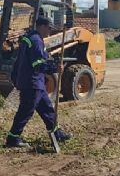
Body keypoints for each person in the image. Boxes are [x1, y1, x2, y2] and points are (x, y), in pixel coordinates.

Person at [6, 16, 72, 147]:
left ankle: (56, 133)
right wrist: (55, 68)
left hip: (36, 82)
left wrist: (16, 78)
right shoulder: (36, 41)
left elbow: (20, 61)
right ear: (41, 26)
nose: (49, 31)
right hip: (32, 83)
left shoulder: (28, 38)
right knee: (26, 111)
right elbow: (38, 65)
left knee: (47, 109)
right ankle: (13, 138)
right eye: (49, 28)